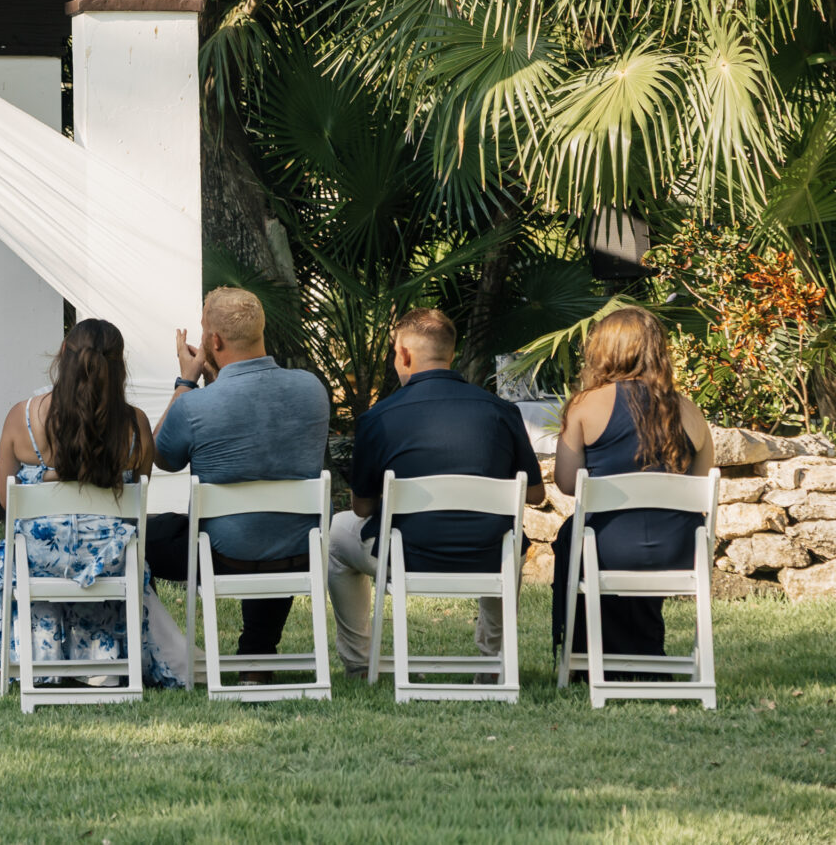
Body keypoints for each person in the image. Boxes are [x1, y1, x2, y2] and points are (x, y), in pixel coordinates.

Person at [327, 307, 543, 677]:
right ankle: (493, 661)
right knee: (507, 539)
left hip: (407, 556)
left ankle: (361, 662)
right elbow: (535, 495)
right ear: (451, 354)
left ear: (404, 354)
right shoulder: (501, 411)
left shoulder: (378, 418)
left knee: (335, 534)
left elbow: (361, 509)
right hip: (488, 555)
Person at [0, 318, 189, 687]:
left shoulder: (21, 417)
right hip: (108, 562)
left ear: (63, 355)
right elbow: (137, 504)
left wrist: (48, 477)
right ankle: (101, 660)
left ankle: (6, 653)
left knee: (19, 545)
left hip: (40, 563)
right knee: (118, 541)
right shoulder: (135, 426)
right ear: (119, 367)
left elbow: (7, 500)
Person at [145, 287, 332, 664]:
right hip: (299, 551)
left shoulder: (194, 405)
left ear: (214, 340)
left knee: (129, 537)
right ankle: (257, 656)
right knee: (270, 530)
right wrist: (217, 379)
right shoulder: (312, 389)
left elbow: (161, 458)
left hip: (218, 554)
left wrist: (186, 382)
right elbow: (254, 428)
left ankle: (160, 654)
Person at [551, 306, 714, 670]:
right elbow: (700, 486)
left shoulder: (584, 406)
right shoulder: (690, 411)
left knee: (574, 534)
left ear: (603, 350)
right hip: (678, 551)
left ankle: (586, 657)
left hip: (607, 549)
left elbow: (567, 483)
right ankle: (643, 655)